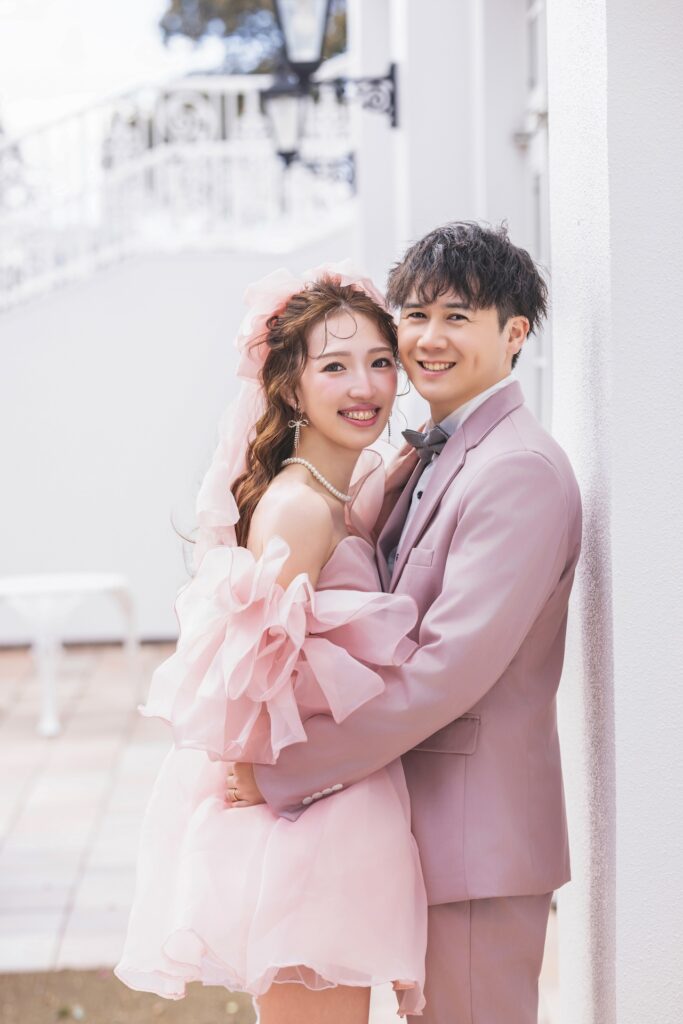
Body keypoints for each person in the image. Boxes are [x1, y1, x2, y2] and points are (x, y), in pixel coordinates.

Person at [231, 223, 583, 1024]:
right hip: (411, 827)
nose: (428, 338)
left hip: (474, 839)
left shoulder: (517, 471)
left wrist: (285, 768)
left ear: (514, 333)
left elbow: (443, 671)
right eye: (416, 316)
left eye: (457, 317)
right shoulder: (427, 454)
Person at [114, 263, 428, 1023]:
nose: (365, 386)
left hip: (338, 807)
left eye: (379, 361)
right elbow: (251, 683)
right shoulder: (299, 511)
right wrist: (273, 780)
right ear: (290, 388)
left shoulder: (348, 492)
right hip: (300, 827)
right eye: (335, 367)